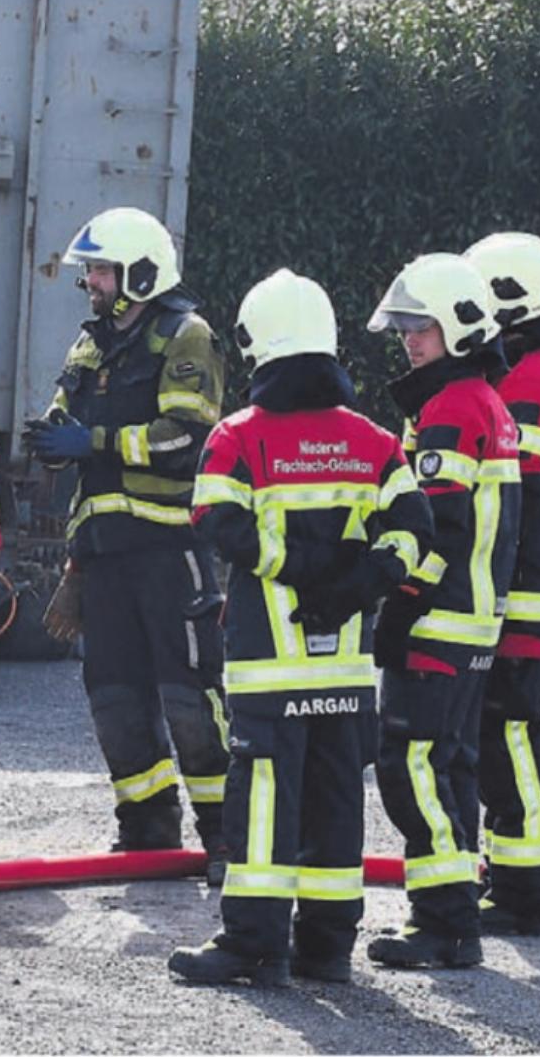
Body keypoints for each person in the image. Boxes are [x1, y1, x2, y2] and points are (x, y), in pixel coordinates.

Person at [167, 270, 433, 987]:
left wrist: (295, 568)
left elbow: (216, 521)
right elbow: (415, 530)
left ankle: (253, 945)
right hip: (345, 670)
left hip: (268, 665)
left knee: (262, 800)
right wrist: (358, 583)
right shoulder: (373, 441)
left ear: (259, 345)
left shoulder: (238, 436)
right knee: (336, 802)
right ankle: (326, 948)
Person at [22, 207, 230, 875]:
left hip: (170, 549)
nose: (92, 283)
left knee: (189, 698)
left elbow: (185, 440)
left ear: (141, 273)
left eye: (103, 272)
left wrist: (95, 441)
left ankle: (227, 836)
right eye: (91, 272)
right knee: (114, 699)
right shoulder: (90, 345)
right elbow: (66, 417)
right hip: (104, 552)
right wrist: (50, 440)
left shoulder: (186, 337)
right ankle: (147, 828)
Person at [363, 252, 522, 968]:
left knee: (410, 766)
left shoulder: (452, 407)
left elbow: (441, 526)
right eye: (404, 328)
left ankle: (442, 920)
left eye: (420, 328)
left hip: (439, 620)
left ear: (458, 327)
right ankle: (453, 919)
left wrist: (401, 604)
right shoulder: (485, 400)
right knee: (449, 766)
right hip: (473, 621)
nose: (409, 340)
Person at [463, 232, 540, 937]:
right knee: (499, 730)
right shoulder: (537, 368)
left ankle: (524, 892)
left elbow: (519, 493)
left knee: (511, 728)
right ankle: (508, 875)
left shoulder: (539, 376)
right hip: (523, 590)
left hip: (528, 595)